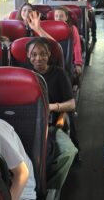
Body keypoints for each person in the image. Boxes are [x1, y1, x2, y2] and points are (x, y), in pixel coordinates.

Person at [25, 37, 77, 191]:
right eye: (34, 54)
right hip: (29, 125)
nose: (38, 58)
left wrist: (51, 107)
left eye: (43, 54)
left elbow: (72, 104)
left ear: (49, 55)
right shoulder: (25, 76)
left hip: (52, 125)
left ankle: (50, 188)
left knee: (69, 152)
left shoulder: (58, 73)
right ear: (28, 56)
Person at [54, 6, 83, 83]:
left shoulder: (72, 29)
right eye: (56, 16)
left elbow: (77, 47)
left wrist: (78, 63)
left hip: (70, 60)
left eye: (61, 16)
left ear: (66, 17)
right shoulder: (51, 29)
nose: (58, 18)